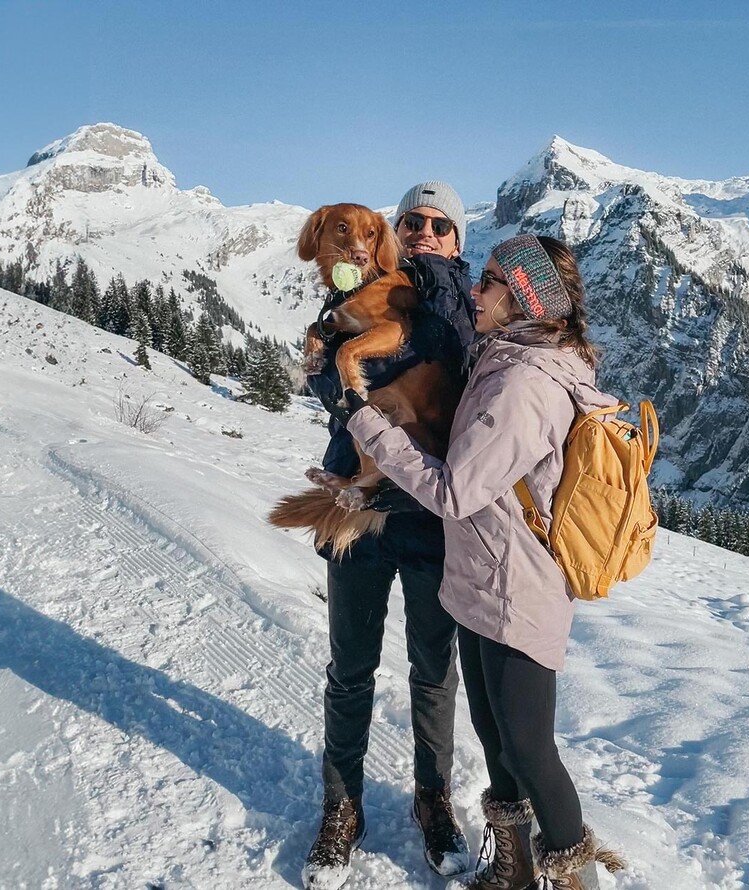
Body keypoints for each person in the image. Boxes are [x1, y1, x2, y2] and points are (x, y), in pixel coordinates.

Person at [341, 235, 627, 890]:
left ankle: (571, 876)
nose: (478, 288)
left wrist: (368, 426)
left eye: (492, 280)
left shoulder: (525, 384)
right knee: (498, 742)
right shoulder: (510, 357)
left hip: (516, 590)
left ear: (524, 298)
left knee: (529, 748)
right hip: (484, 578)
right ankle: (515, 875)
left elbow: (455, 491)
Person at [301, 182, 477, 890]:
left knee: (434, 673)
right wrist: (331, 353)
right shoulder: (368, 287)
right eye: (414, 221)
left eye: (442, 224)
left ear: (459, 241)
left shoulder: (466, 302)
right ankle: (341, 808)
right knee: (350, 669)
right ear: (396, 231)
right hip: (359, 506)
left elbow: (466, 374)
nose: (427, 230)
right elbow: (327, 390)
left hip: (434, 516)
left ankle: (433, 802)